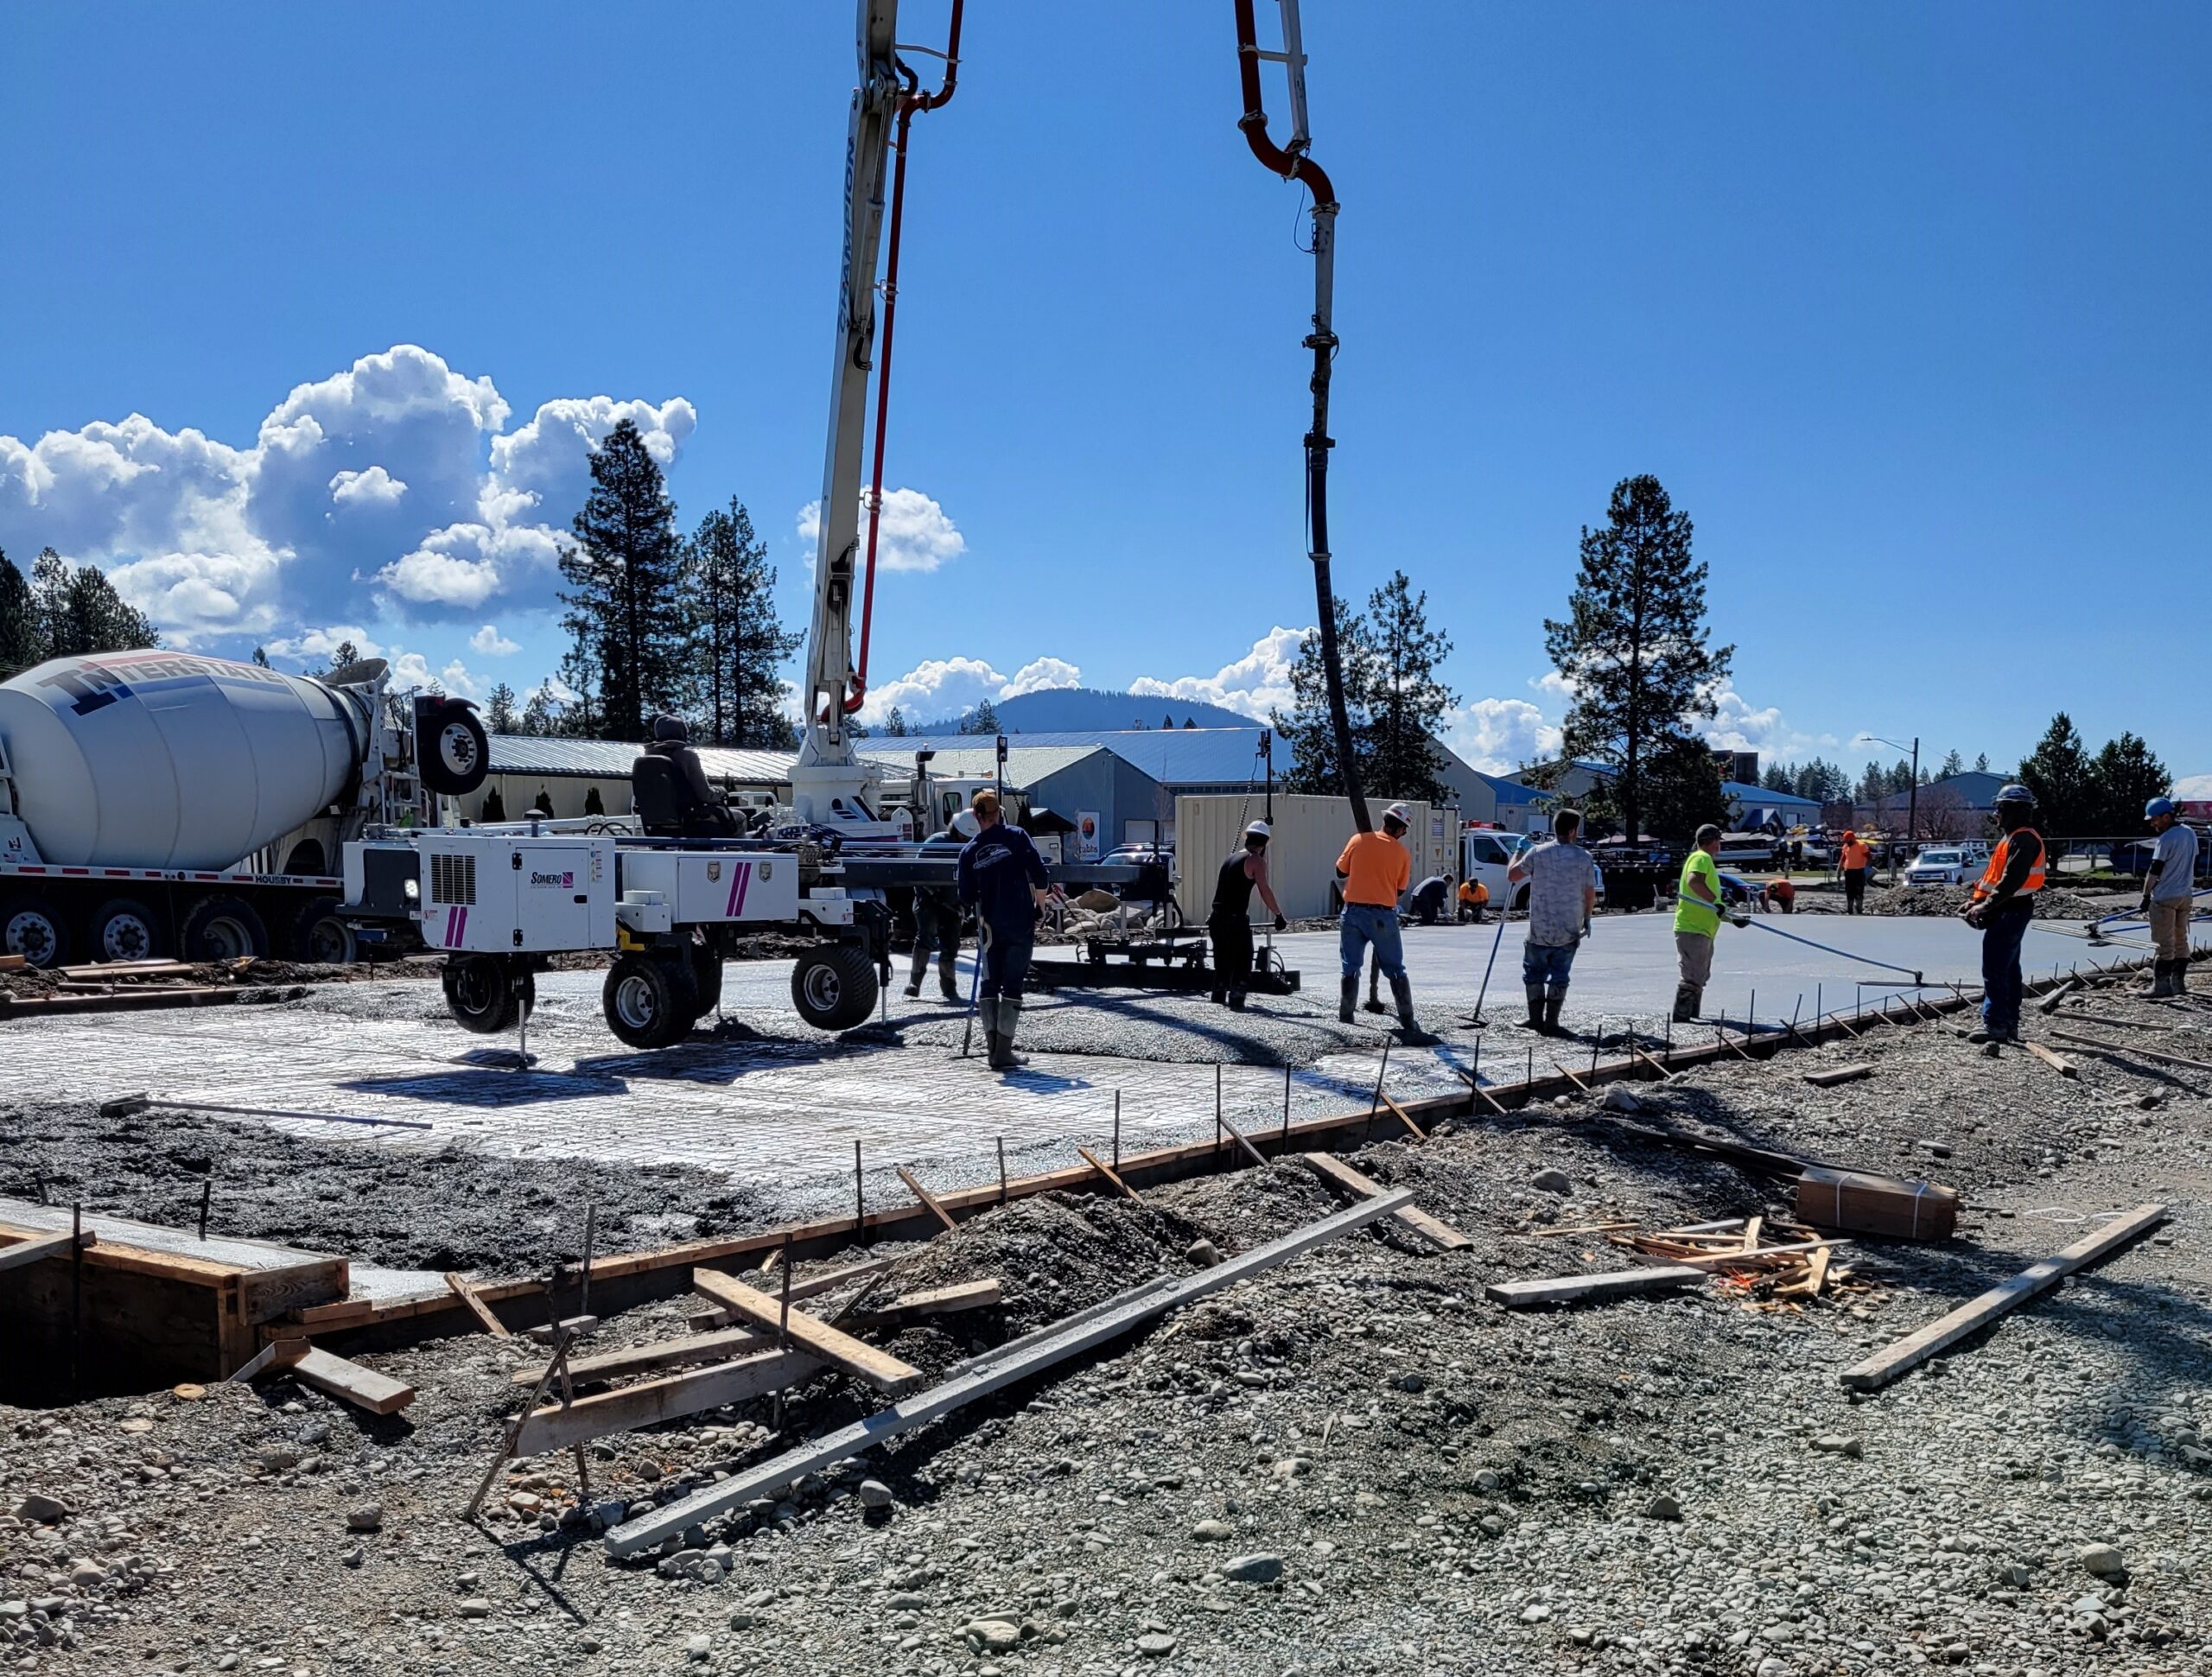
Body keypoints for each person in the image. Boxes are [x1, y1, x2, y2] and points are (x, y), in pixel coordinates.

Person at [955, 789, 1052, 1070]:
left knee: (989, 983)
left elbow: (966, 896)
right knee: (1013, 983)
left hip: (989, 927)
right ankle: (1003, 1052)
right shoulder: (1017, 837)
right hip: (1019, 922)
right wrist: (1040, 906)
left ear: (976, 816)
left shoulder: (969, 852)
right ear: (999, 812)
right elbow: (1041, 874)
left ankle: (993, 1050)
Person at [1961, 784, 2044, 1044]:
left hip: (2012, 908)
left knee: (1996, 968)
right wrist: (1978, 900)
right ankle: (2008, 1024)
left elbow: (2013, 878)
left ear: (2011, 810)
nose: (1996, 814)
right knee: (2007, 968)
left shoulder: (2023, 838)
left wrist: (1987, 905)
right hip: (2009, 907)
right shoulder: (2012, 838)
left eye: (2000, 809)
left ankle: (1996, 1024)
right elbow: (1996, 878)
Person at [1336, 802, 1423, 1037]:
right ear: (1401, 829)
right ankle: (1408, 1021)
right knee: (1395, 968)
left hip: (1353, 911)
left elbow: (1340, 871)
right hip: (1383, 914)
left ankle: (1346, 1017)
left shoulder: (1358, 840)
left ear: (1385, 822)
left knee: (1350, 966)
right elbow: (1401, 890)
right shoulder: (1402, 854)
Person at [1509, 808, 1597, 1036]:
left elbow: (1513, 875)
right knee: (1560, 974)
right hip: (1568, 928)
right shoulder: (1584, 858)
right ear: (1573, 830)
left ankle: (1535, 1019)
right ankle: (1552, 1022)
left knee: (1533, 973)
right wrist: (1587, 918)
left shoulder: (1537, 853)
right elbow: (1589, 892)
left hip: (1539, 928)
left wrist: (1518, 852)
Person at [1208, 820, 1287, 1011]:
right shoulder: (1256, 861)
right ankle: (1236, 1000)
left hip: (1216, 918)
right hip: (1235, 919)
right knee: (1243, 959)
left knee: (1223, 960)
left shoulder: (1230, 859)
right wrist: (1278, 914)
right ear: (1264, 843)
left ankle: (1218, 997)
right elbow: (1264, 890)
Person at [1674, 823, 1747, 1022]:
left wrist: (1732, 918)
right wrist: (1715, 901)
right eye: (1718, 841)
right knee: (1692, 975)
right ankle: (1683, 1019)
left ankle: (1691, 1017)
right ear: (1713, 841)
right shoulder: (1701, 857)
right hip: (1693, 928)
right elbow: (1693, 881)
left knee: (1699, 975)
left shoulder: (1701, 859)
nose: (1719, 846)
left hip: (1701, 928)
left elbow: (1713, 907)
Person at [906, 810, 977, 1002]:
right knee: (925, 938)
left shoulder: (972, 849)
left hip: (954, 903)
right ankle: (914, 983)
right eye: (964, 836)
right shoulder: (936, 843)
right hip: (929, 901)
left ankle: (949, 987)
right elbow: (918, 872)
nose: (966, 840)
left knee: (951, 946)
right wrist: (931, 892)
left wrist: (965, 904)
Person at [639, 715, 739, 836]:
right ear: (682, 733)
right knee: (740, 818)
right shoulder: (686, 756)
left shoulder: (646, 759)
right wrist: (721, 791)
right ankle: (741, 854)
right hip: (691, 821)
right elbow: (705, 795)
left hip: (657, 824)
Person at [2140, 797, 2200, 997]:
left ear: (2167, 816)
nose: (2152, 823)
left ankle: (2161, 987)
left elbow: (2155, 869)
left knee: (2163, 944)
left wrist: (2146, 895)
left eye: (2155, 819)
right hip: (2185, 895)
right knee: (2181, 940)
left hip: (2165, 897)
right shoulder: (2189, 833)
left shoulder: (2166, 839)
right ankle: (2178, 985)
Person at [1838, 829, 1872, 914]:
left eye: (1847, 839)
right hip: (1848, 871)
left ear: (1852, 838)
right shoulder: (1845, 846)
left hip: (1859, 871)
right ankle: (1850, 910)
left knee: (1859, 891)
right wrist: (1838, 870)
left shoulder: (1861, 846)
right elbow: (1843, 858)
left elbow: (1869, 857)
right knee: (1849, 891)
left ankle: (1859, 909)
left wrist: (1867, 868)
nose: (1846, 841)